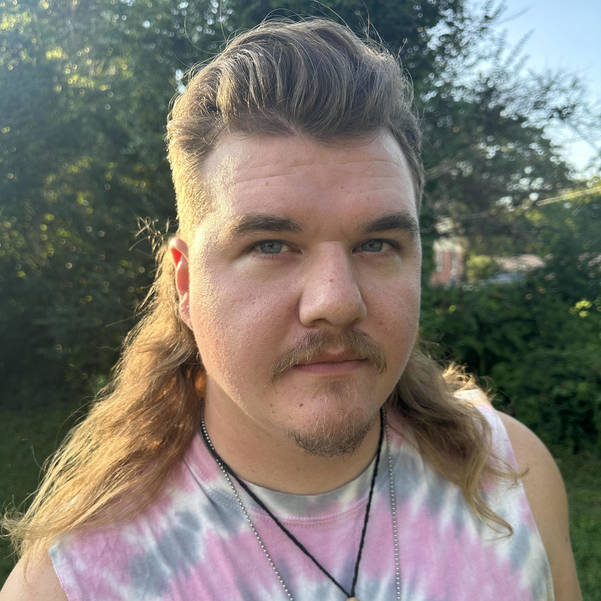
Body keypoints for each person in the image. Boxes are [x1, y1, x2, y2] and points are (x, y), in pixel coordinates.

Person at [1, 18, 581, 601]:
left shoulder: (511, 478)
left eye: (377, 244)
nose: (337, 302)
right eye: (270, 246)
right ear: (186, 284)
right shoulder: (75, 581)